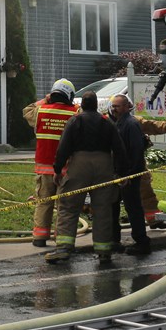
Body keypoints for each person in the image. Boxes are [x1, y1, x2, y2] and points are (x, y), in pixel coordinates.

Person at [45, 91, 125, 267]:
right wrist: (120, 172)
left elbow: (64, 147)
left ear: (82, 105)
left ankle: (64, 248)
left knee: (69, 206)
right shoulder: (107, 122)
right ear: (96, 105)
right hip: (104, 165)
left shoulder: (75, 121)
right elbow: (119, 149)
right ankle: (104, 252)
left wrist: (58, 170)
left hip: (79, 165)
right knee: (103, 209)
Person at [26, 79, 79, 247]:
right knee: (64, 205)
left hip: (44, 169)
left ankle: (39, 238)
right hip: (67, 169)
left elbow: (26, 110)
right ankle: (61, 239)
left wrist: (45, 99)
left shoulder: (40, 111)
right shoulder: (75, 112)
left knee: (44, 202)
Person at [109, 94, 151, 255]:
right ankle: (114, 240)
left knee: (133, 208)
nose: (114, 109)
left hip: (129, 176)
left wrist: (130, 175)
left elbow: (136, 151)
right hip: (119, 174)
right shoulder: (119, 123)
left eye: (117, 106)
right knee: (113, 206)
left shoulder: (131, 124)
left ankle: (142, 242)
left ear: (127, 107)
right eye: (113, 106)